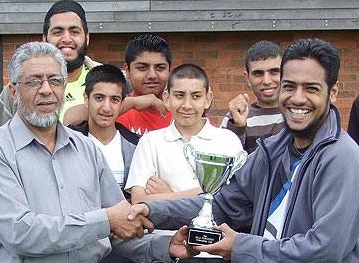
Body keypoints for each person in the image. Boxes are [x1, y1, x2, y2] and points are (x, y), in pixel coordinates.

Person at [130, 38, 359, 262]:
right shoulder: (273, 150)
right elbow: (220, 204)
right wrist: (150, 210)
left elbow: (326, 250)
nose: (297, 98)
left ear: (333, 92)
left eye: (311, 88)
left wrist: (241, 247)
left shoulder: (342, 158)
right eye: (289, 86)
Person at [0, 41, 176, 263]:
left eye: (55, 81)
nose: (46, 90)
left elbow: (121, 228)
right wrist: (104, 221)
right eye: (34, 81)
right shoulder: (3, 150)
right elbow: (20, 233)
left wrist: (167, 247)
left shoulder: (86, 148)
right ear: (14, 92)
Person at [0, 0, 165, 127]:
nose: (66, 39)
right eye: (58, 32)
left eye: (74, 31)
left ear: (86, 37)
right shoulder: (17, 89)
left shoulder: (118, 82)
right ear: (44, 38)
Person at [125, 63, 244, 204]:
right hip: (163, 227)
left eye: (196, 96)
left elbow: (236, 198)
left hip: (216, 226)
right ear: (167, 98)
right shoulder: (150, 141)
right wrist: (207, 192)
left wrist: (169, 196)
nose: (187, 105)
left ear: (208, 99)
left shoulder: (227, 140)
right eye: (179, 95)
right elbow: (138, 200)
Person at [69, 64, 139, 200]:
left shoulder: (137, 145)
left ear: (122, 103)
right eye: (99, 98)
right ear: (86, 98)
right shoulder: (68, 142)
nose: (106, 108)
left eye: (114, 99)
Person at [220, 40, 285, 154]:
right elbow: (224, 161)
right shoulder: (234, 117)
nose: (266, 81)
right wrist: (238, 127)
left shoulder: (299, 113)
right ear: (247, 78)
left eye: (274, 72)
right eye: (258, 73)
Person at [116, 33, 173, 135]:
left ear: (169, 70)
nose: (152, 75)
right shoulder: (112, 112)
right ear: (127, 70)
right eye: (142, 67)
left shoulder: (184, 112)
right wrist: (133, 103)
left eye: (160, 68)